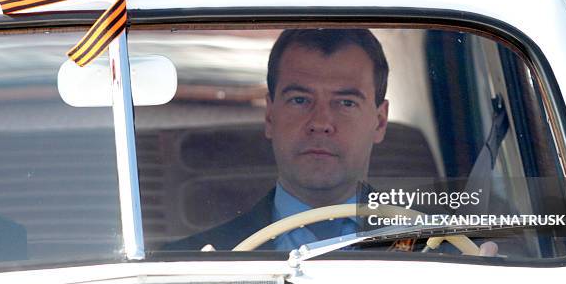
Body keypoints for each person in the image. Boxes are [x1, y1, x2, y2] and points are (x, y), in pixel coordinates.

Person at [166, 28, 497, 255]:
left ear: (379, 121)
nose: (321, 123)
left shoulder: (447, 254)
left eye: (346, 102)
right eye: (299, 100)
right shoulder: (186, 267)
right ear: (270, 116)